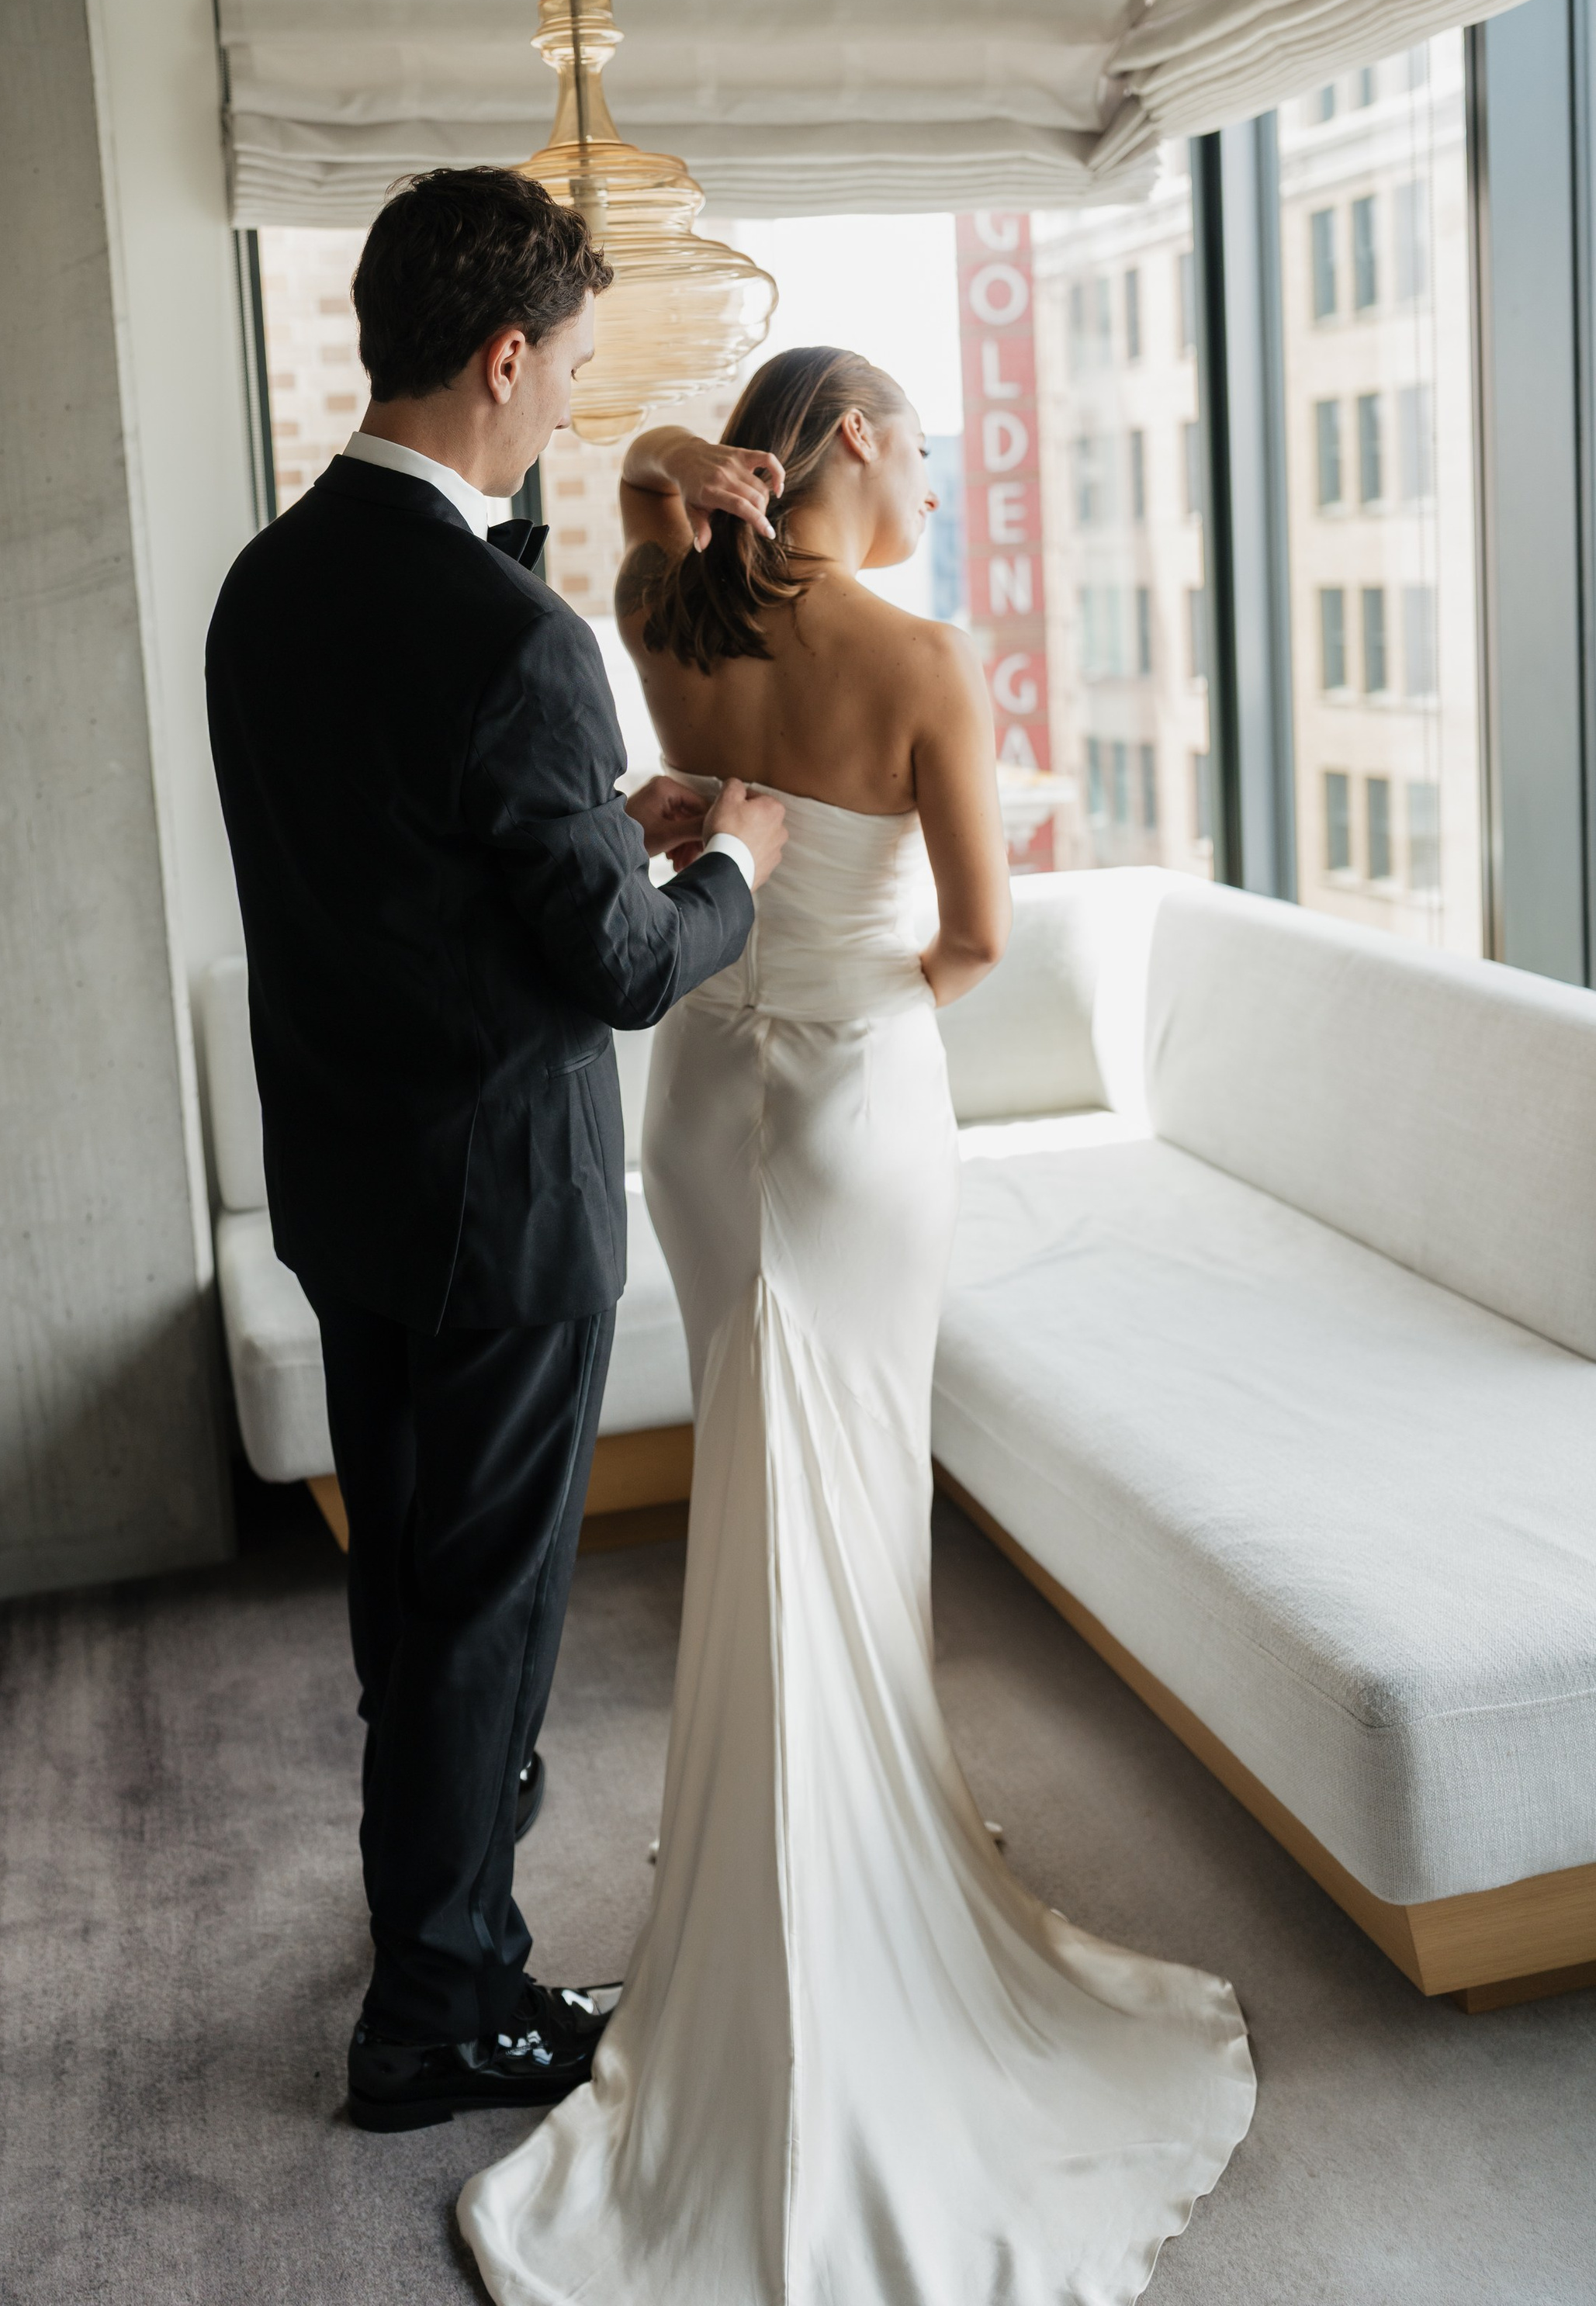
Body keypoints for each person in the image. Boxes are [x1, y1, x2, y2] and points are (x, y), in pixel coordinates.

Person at [460, 348, 1254, 2303]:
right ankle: (849, 1868)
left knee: (756, 1479)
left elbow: (638, 485)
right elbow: (975, 936)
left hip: (700, 1123)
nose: (935, 472)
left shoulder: (660, 608)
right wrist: (856, 992)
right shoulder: (917, 659)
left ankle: (771, 1868)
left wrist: (676, 464)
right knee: (848, 1499)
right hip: (852, 1106)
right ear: (844, 451)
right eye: (918, 442)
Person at [205, 169, 787, 2138]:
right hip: (496, 1213)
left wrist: (593, 812)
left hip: (350, 1194)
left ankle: (434, 1898)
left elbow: (408, 863)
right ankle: (435, 2013)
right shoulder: (510, 639)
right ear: (504, 353)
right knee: (485, 1617)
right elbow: (619, 972)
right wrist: (726, 866)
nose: (571, 407)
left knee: (411, 1600)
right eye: (568, 376)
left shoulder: (269, 585)